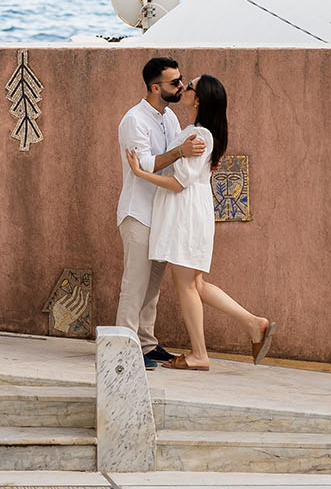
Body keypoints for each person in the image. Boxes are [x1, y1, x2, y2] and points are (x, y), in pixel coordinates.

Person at [126, 72, 275, 371]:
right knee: (197, 284)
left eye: (189, 86)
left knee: (187, 287)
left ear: (199, 98)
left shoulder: (198, 133)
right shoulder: (199, 132)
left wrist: (140, 173)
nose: (184, 88)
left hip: (185, 215)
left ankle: (199, 354)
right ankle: (253, 323)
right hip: (192, 212)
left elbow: (179, 182)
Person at [116, 56, 207, 368]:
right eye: (174, 82)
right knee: (136, 284)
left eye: (181, 80)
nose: (181, 86)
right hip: (138, 213)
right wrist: (180, 152)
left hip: (162, 214)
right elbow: (144, 164)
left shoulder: (168, 117)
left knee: (152, 287)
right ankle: (125, 349)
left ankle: (146, 343)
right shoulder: (134, 120)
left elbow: (179, 163)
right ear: (155, 87)